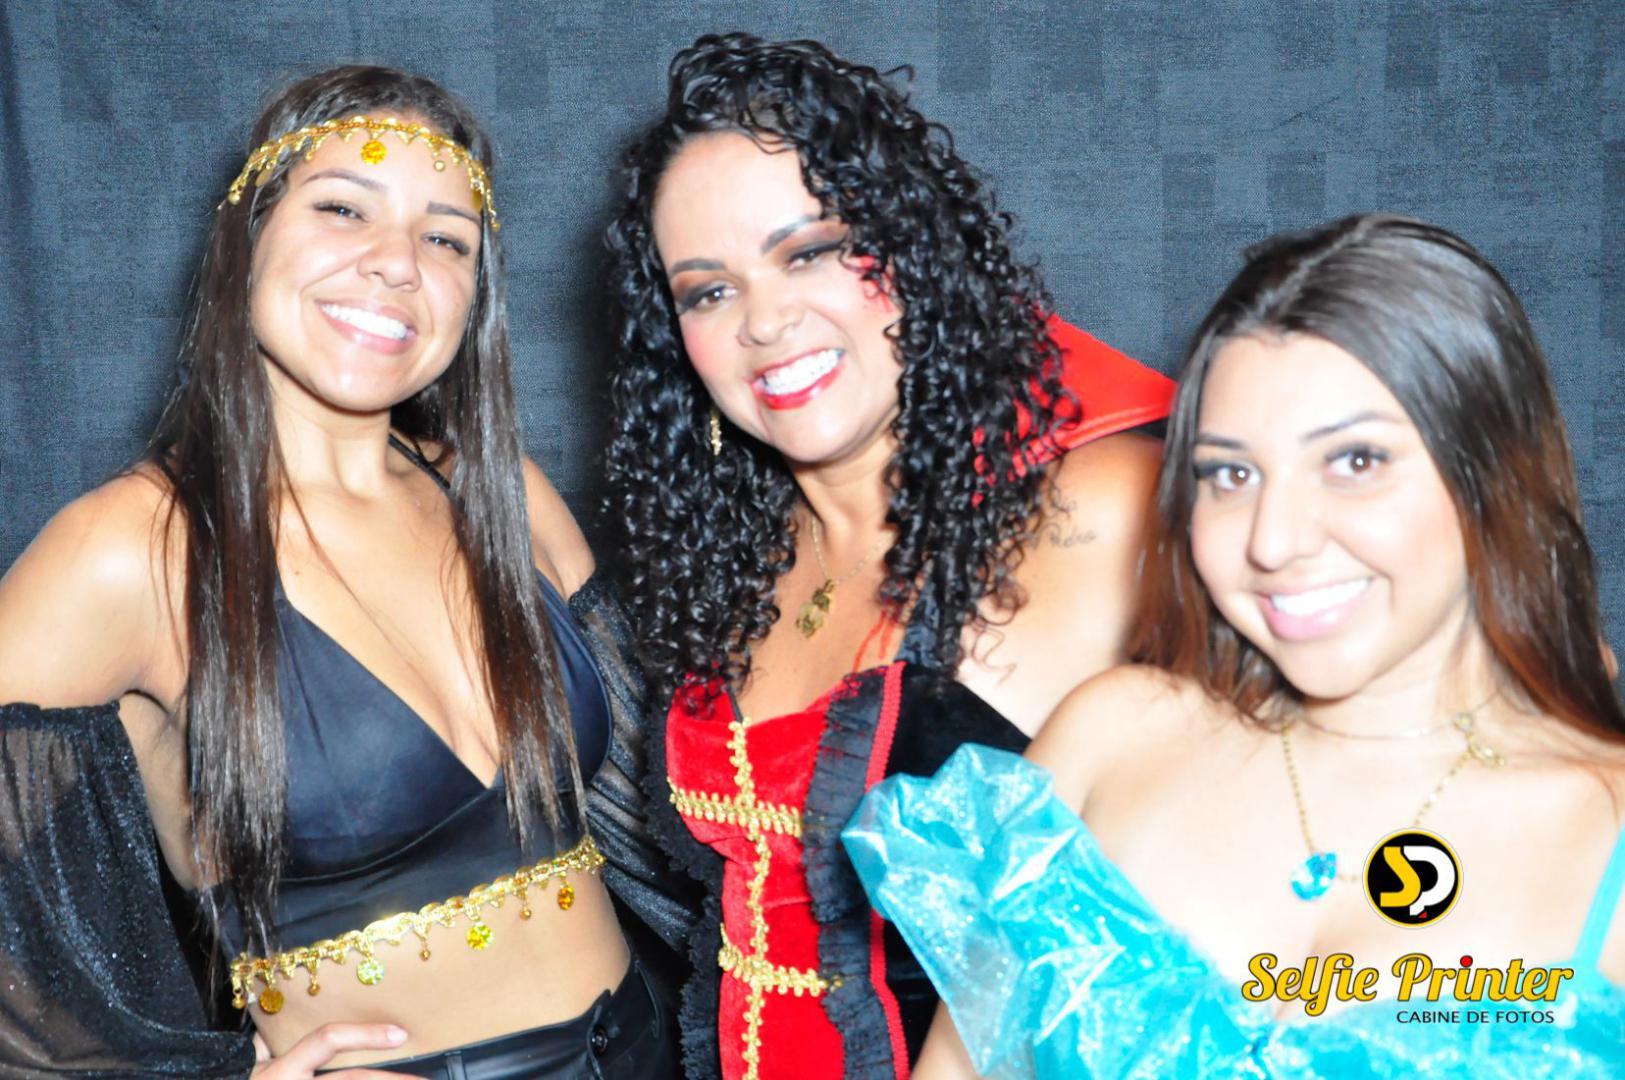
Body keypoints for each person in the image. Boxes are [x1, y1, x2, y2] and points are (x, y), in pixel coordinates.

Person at [0, 66, 684, 1079]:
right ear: (245, 239)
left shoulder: (505, 494)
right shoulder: (127, 552)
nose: (395, 263)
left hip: (644, 1050)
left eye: (446, 239)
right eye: (342, 209)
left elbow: (674, 806)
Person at [844, 214, 1625, 1078]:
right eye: (1230, 474)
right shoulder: (1109, 740)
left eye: (1354, 462)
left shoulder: (1606, 825)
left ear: (1493, 474)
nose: (1273, 540)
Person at [602, 32, 1174, 1080]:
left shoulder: (1107, 512)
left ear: (913, 254)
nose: (765, 321)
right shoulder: (726, 560)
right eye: (708, 291)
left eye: (808, 251)